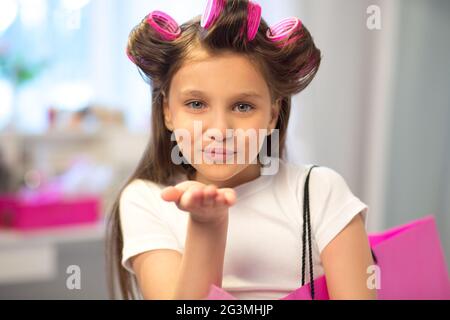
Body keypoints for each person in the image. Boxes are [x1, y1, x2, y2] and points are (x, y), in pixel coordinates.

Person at [106, 0, 376, 300]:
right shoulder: (146, 200)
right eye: (196, 104)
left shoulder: (320, 192)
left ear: (272, 114)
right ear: (168, 111)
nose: (220, 131)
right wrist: (207, 224)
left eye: (243, 106)